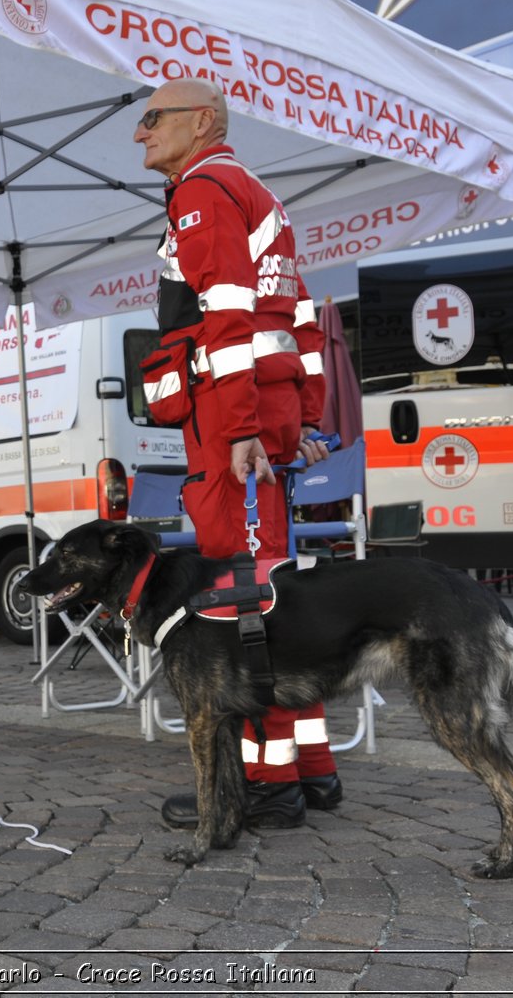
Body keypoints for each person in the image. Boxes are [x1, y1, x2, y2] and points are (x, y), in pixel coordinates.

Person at [133, 78, 341, 829]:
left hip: (228, 425)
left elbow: (222, 311)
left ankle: (264, 785)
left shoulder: (203, 190)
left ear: (203, 120)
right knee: (274, 591)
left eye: (153, 118)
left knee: (245, 605)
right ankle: (312, 769)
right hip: (257, 416)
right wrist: (303, 419)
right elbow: (303, 322)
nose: (141, 132)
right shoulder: (256, 195)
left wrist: (245, 427)